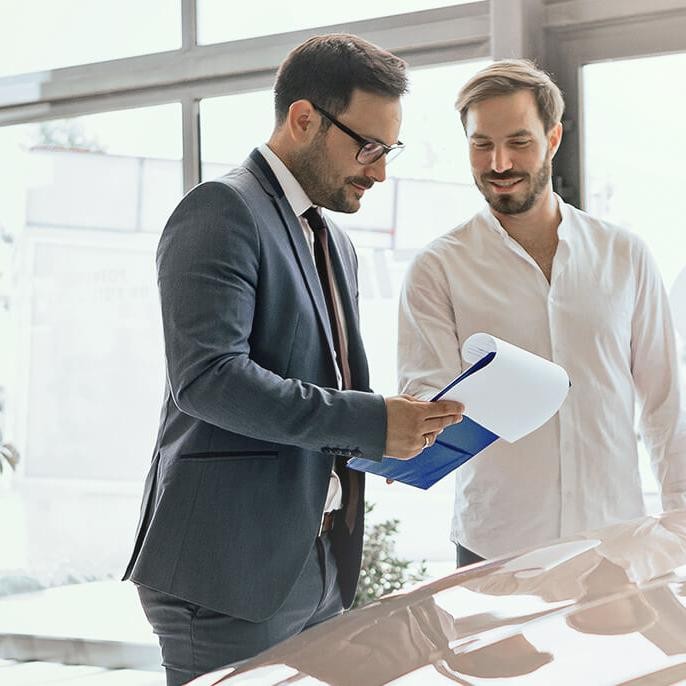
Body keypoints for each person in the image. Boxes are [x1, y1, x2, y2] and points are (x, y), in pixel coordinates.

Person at [123, 33, 464, 685]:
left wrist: (392, 435)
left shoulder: (335, 241)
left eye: (390, 152)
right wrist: (367, 421)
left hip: (318, 561)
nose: (380, 171)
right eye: (368, 147)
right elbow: (209, 379)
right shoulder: (219, 212)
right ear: (304, 118)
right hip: (228, 572)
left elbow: (314, 389)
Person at [397, 59, 686, 569]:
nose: (500, 163)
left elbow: (665, 405)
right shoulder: (436, 267)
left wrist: (679, 525)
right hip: (495, 547)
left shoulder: (626, 255)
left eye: (519, 142)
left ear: (553, 139)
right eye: (481, 144)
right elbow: (423, 399)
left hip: (613, 542)